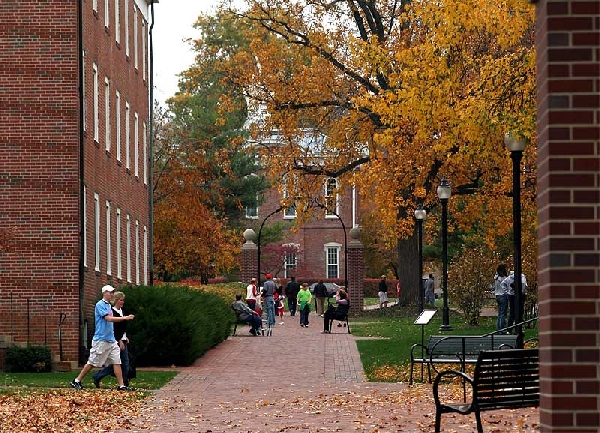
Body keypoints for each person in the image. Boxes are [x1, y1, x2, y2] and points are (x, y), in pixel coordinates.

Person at [70, 285, 134, 391]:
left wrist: (122, 337)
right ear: (104, 293)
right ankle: (76, 381)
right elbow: (108, 319)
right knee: (92, 362)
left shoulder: (109, 306)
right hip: (101, 339)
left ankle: (121, 385)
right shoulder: (100, 305)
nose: (112, 294)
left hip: (111, 340)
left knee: (117, 362)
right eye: (110, 292)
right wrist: (125, 318)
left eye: (113, 292)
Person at [92, 291, 132, 388]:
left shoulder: (122, 311)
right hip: (114, 340)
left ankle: (122, 383)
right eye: (121, 300)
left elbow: (122, 328)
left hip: (121, 339)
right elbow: (113, 329)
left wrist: (125, 337)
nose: (122, 302)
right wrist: (119, 341)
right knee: (121, 362)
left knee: (120, 362)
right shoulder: (112, 312)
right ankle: (123, 384)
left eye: (123, 300)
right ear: (116, 300)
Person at [494, 264, 509, 332]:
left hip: (497, 296)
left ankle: (498, 328)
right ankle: (502, 329)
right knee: (503, 313)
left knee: (500, 313)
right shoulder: (504, 278)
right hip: (503, 296)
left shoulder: (496, 277)